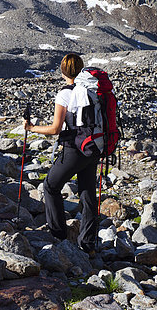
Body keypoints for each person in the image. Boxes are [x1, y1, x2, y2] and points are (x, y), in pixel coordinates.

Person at [23, 53, 100, 255]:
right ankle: (88, 245)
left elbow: (56, 128)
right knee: (88, 195)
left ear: (63, 71)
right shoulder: (93, 89)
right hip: (93, 147)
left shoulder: (65, 93)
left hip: (74, 148)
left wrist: (31, 128)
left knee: (50, 186)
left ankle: (58, 236)